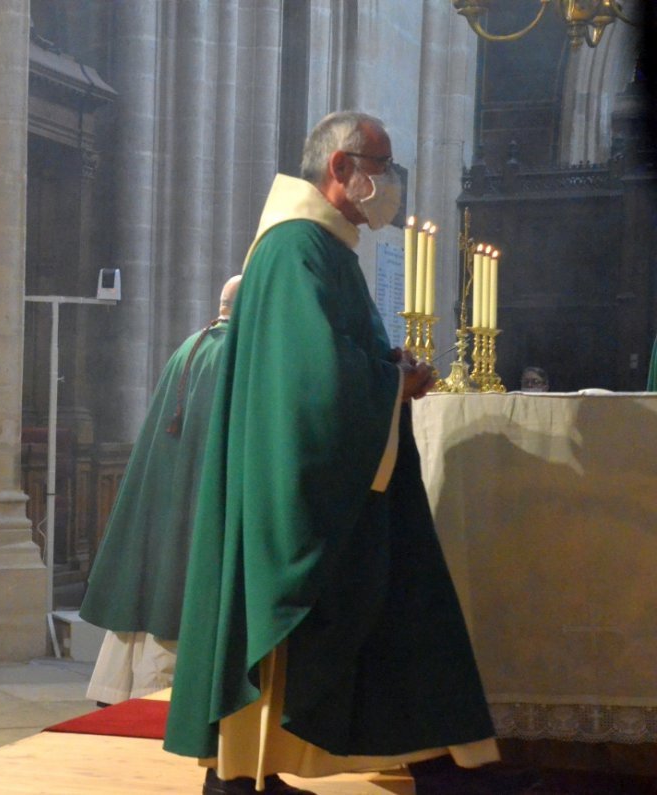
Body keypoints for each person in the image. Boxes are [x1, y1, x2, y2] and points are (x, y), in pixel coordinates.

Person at [164, 112, 499, 795]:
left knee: (394, 604)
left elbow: (331, 358)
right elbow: (311, 379)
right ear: (339, 169)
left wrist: (385, 364)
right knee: (322, 618)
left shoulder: (323, 245)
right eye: (381, 165)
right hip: (297, 483)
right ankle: (237, 776)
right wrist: (390, 381)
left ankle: (251, 771)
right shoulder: (295, 247)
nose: (390, 182)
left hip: (324, 470)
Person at [80, 275, 242, 704]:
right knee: (175, 595)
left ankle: (119, 691)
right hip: (199, 499)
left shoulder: (191, 345)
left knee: (154, 590)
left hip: (168, 493)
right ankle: (157, 695)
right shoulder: (235, 355)